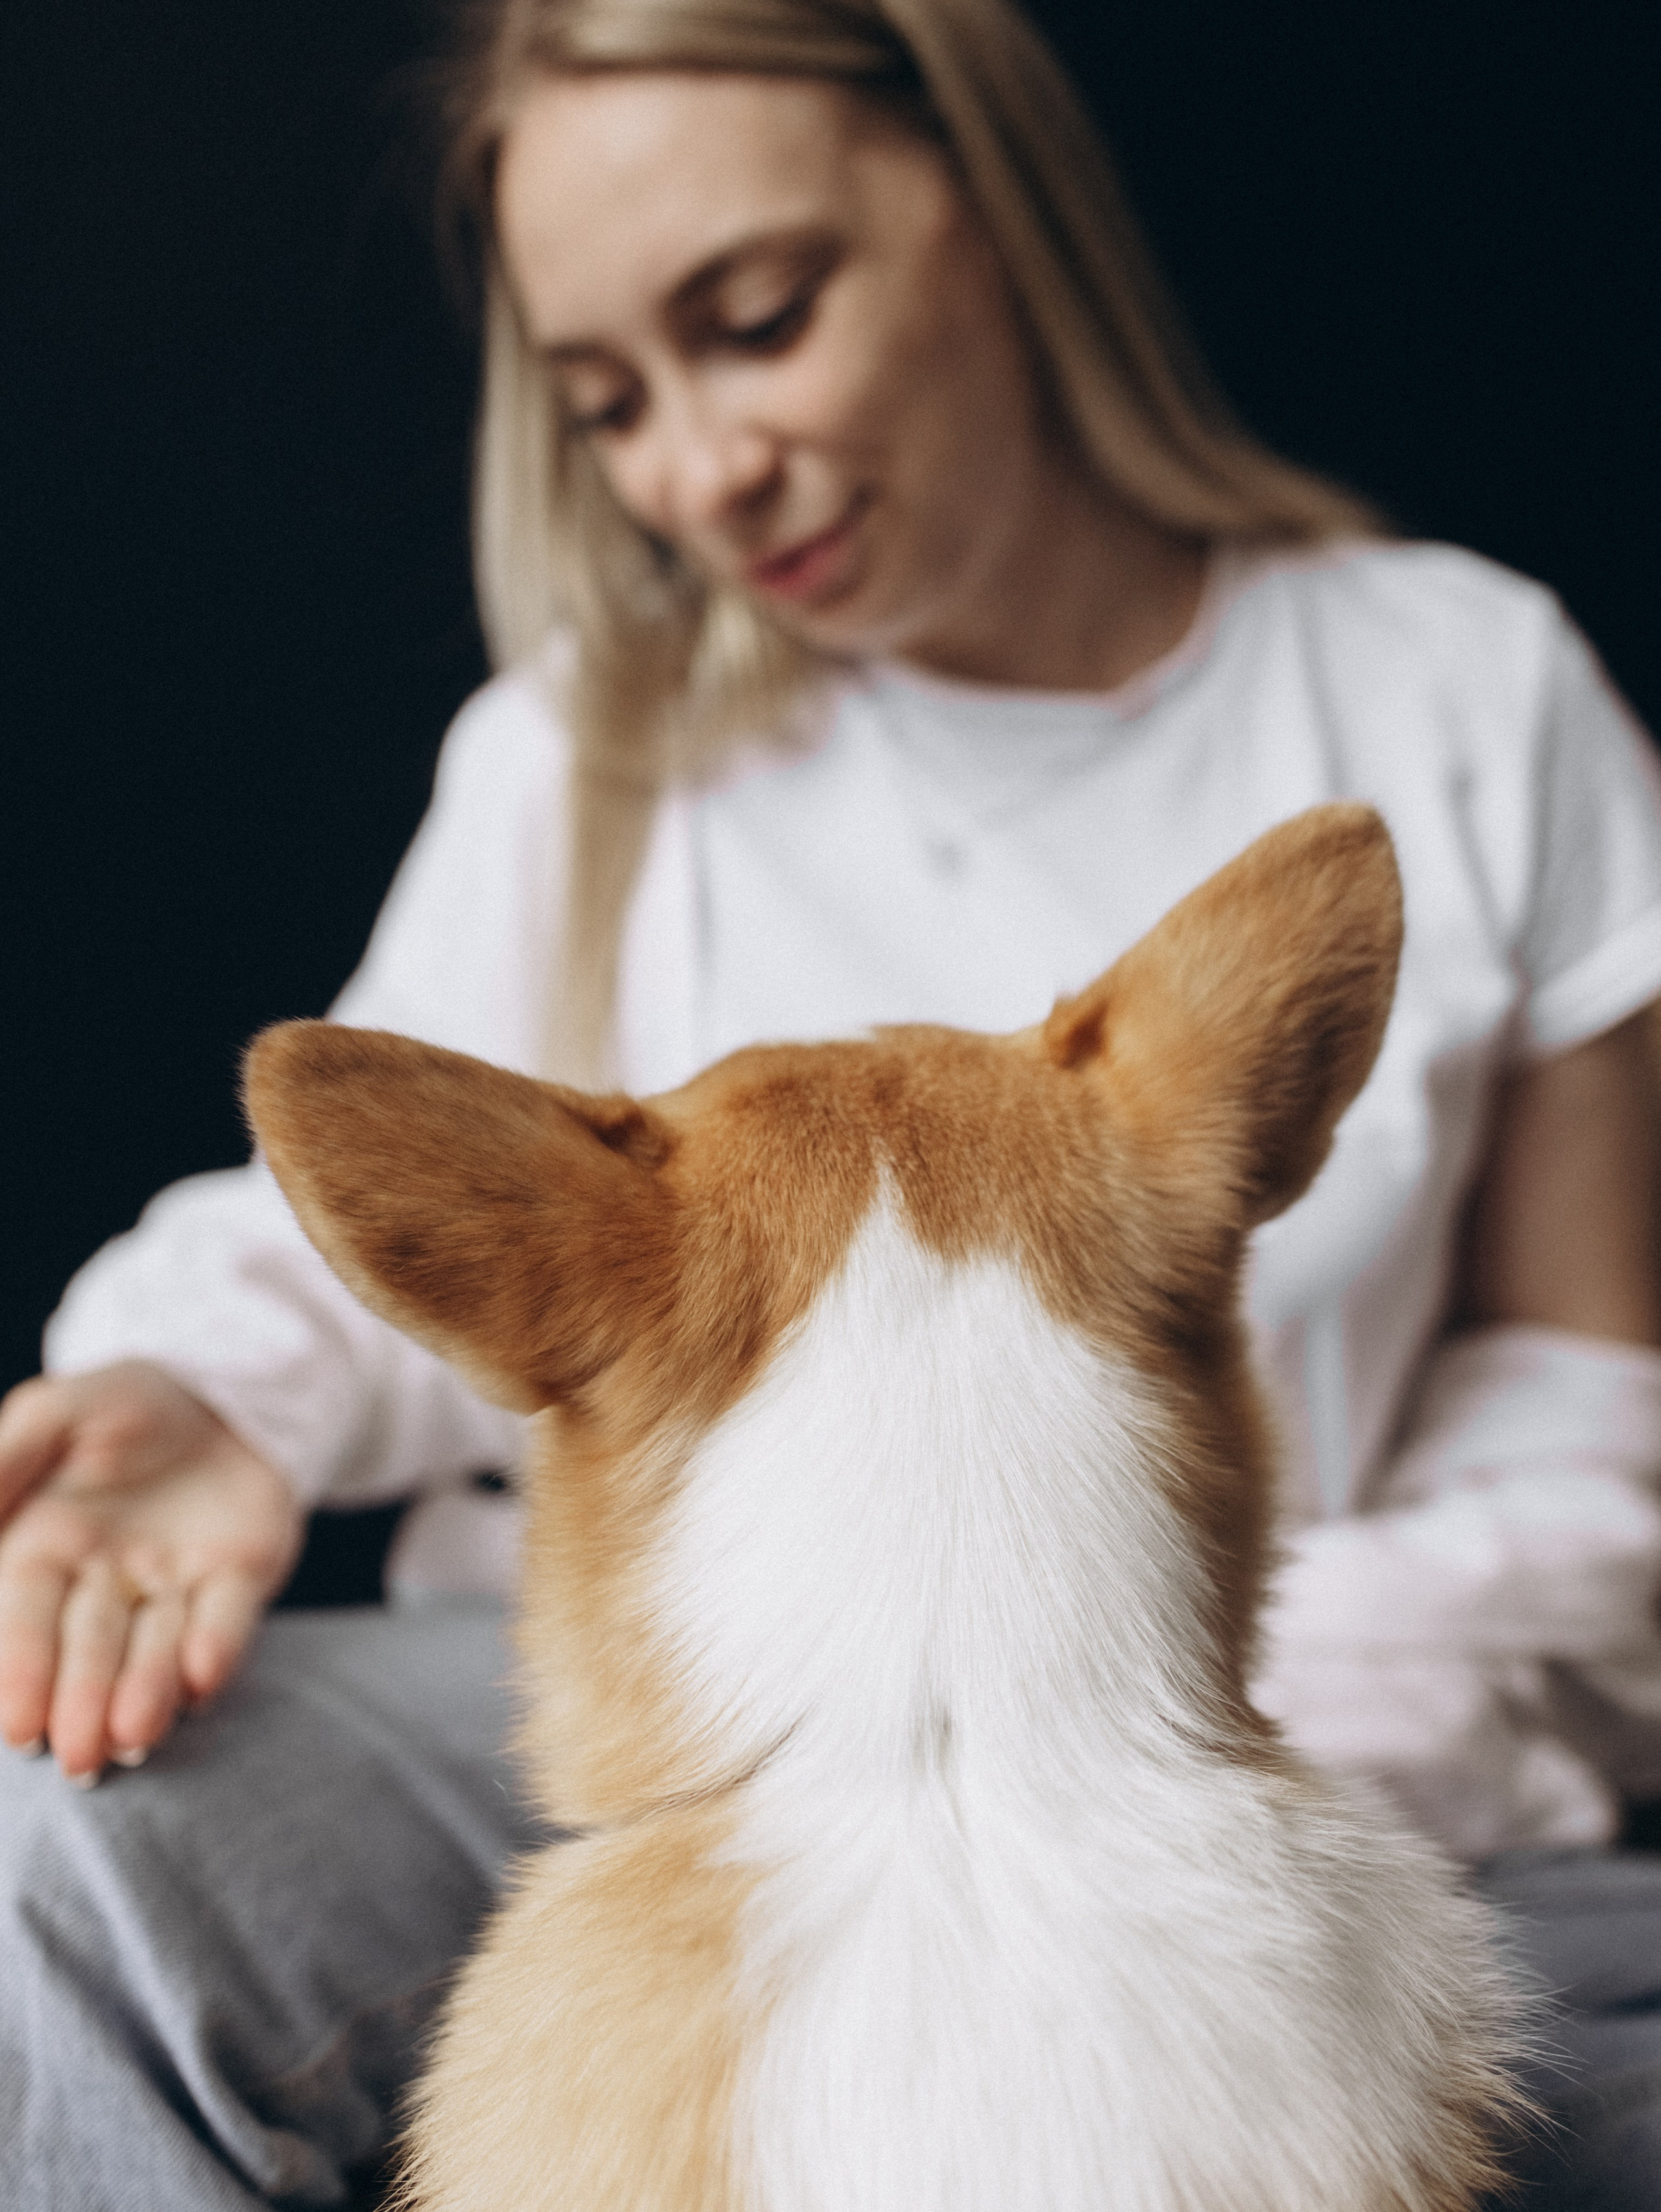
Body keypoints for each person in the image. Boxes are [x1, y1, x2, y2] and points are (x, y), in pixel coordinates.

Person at [4, 1, 1661, 2204]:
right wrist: (208, 1393)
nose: (697, 467)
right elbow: (423, 1235)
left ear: (996, 204)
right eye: (607, 403)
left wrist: (1094, 1709)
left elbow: (1588, 1415)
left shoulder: (1459, 688)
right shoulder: (588, 747)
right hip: (639, 1749)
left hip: (1300, 1731)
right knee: (62, 1858)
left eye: (758, 321)